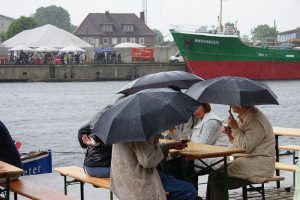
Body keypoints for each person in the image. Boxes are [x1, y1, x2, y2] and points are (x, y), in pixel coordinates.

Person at [206, 106, 276, 200]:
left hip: (259, 165)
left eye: (232, 102)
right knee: (213, 175)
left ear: (240, 104)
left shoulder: (255, 120)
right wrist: (230, 135)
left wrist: (235, 128)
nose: (230, 104)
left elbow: (245, 147)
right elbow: (240, 144)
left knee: (217, 180)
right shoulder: (245, 116)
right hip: (248, 161)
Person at [110, 136, 198, 200]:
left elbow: (146, 152)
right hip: (138, 181)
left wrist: (170, 145)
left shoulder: (129, 130)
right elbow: (148, 161)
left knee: (174, 174)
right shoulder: (140, 134)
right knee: (189, 191)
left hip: (122, 179)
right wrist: (154, 139)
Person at [191, 103, 228, 172]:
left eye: (197, 107)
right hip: (201, 158)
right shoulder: (201, 120)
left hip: (213, 160)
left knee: (176, 165)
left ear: (205, 106)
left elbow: (203, 145)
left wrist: (189, 143)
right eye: (192, 108)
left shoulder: (212, 122)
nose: (194, 111)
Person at [78, 105, 113, 178]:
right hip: (108, 170)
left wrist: (85, 149)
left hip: (89, 169)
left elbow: (81, 131)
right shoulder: (118, 121)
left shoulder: (98, 116)